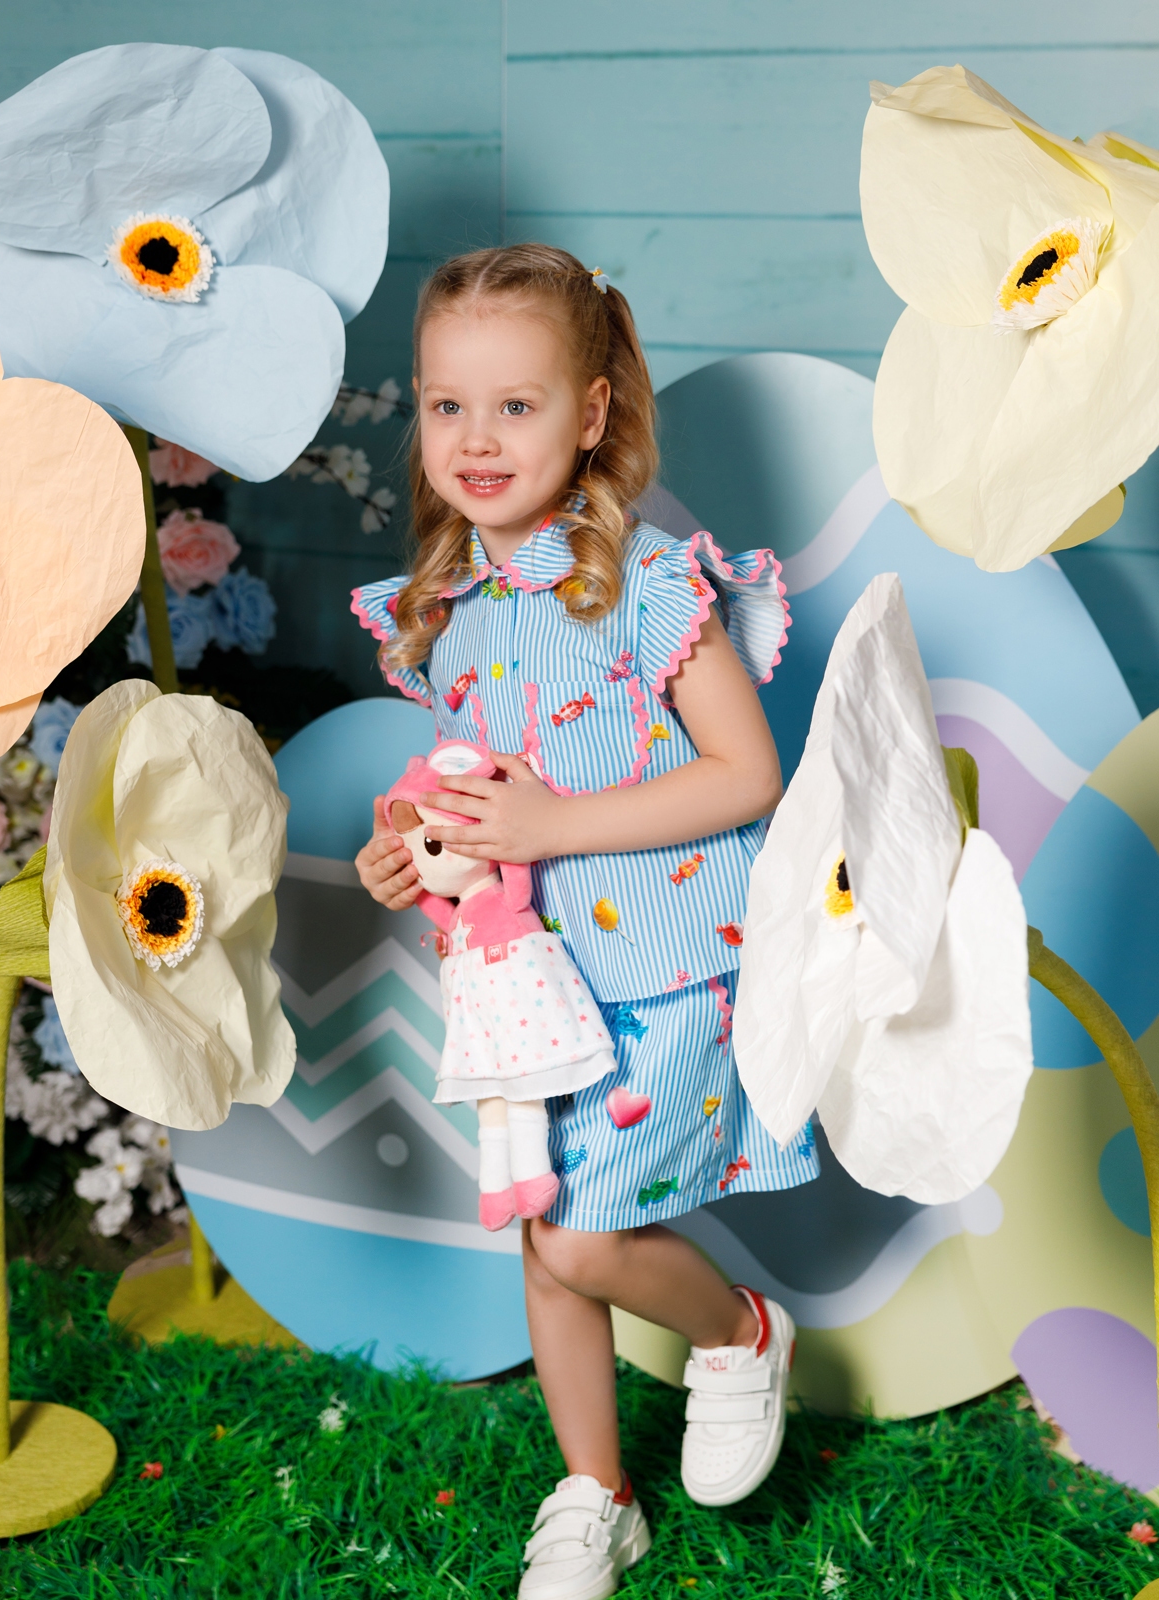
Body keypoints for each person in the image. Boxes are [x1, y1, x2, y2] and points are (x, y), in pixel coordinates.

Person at [353, 243, 818, 1600]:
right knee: (543, 1231)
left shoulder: (651, 585)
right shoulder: (444, 604)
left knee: (579, 1235)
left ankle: (740, 1333)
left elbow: (747, 773)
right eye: (448, 405)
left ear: (594, 411)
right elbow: (472, 785)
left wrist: (552, 827)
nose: (477, 439)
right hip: (527, 980)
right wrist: (412, 851)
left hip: (665, 966)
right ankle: (597, 1493)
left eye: (517, 405)